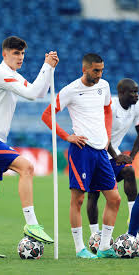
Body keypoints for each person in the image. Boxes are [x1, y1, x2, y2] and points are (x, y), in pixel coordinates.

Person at [0, 36, 59, 258]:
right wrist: (46, 66)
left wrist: (48, 69)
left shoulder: (13, 76)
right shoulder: (1, 74)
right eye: (15, 53)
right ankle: (31, 223)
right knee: (27, 167)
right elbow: (31, 94)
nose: (20, 57)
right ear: (5, 54)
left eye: (22, 54)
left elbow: (38, 93)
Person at [42, 53, 121, 258]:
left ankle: (104, 247)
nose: (100, 74)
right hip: (81, 151)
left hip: (101, 151)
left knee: (114, 199)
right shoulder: (70, 90)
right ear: (84, 69)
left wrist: (108, 135)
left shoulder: (104, 85)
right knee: (77, 200)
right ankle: (80, 249)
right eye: (96, 70)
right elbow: (47, 115)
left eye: (102, 69)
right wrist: (67, 136)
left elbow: (107, 111)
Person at [87, 78, 139, 235]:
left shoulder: (136, 107)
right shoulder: (111, 106)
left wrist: (132, 156)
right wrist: (117, 156)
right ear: (122, 93)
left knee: (129, 172)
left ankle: (132, 221)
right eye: (133, 92)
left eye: (137, 91)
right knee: (93, 193)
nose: (136, 95)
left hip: (111, 153)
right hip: (95, 151)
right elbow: (102, 136)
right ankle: (95, 234)